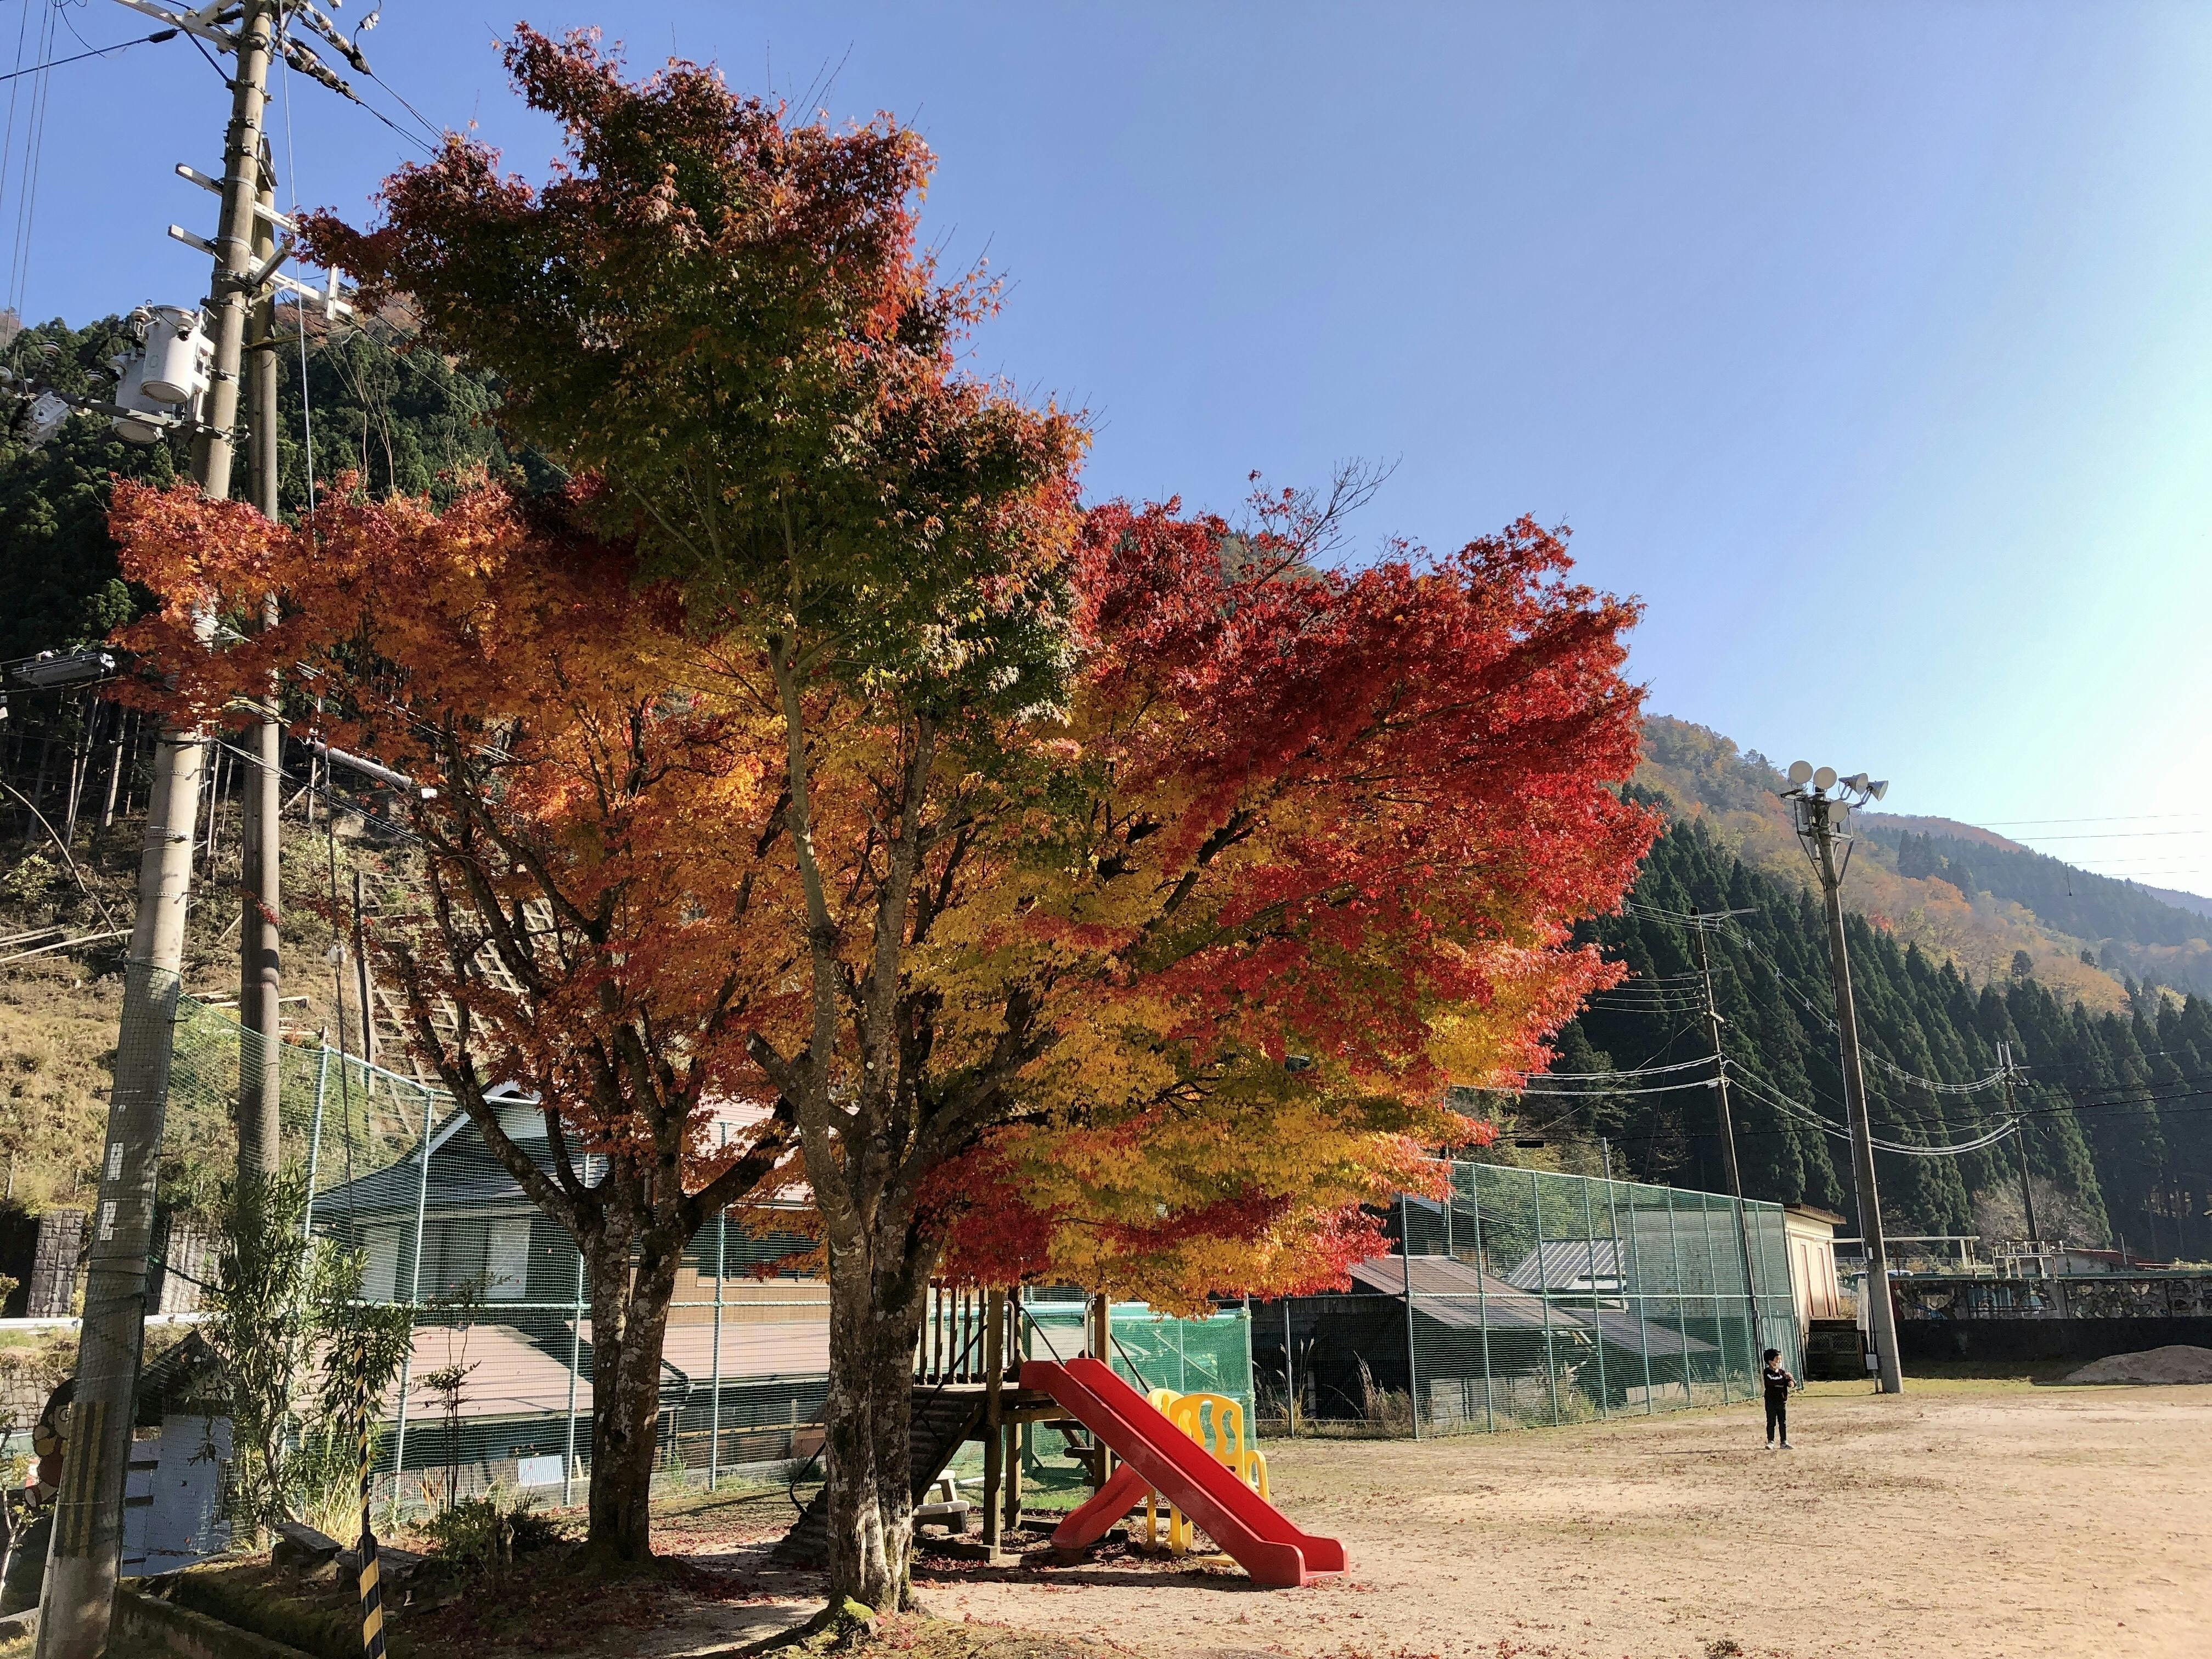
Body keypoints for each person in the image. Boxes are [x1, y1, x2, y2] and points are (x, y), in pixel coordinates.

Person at [1761, 1347, 1795, 1449]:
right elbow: (1772, 1381)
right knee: (1771, 1422)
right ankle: (1771, 1441)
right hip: (1771, 1402)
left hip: (1782, 1401)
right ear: (1770, 1361)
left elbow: (1790, 1382)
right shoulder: (1767, 1372)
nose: (1779, 1362)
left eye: (1780, 1359)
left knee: (1783, 1422)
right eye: (1777, 1360)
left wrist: (1791, 1381)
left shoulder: (1782, 1372)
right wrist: (1785, 1378)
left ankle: (1784, 1442)